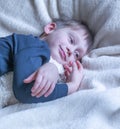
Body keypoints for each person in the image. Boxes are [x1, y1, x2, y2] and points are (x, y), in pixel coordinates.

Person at [0, 19, 92, 103]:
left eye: (76, 54)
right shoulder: (33, 44)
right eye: (71, 40)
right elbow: (25, 91)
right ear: (50, 28)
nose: (71, 51)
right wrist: (72, 86)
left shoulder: (37, 60)